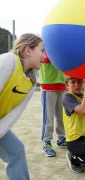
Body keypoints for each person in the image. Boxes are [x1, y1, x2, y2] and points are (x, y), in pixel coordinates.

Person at [0, 33, 45, 180]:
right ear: (27, 50)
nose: (44, 56)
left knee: (16, 150)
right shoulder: (9, 60)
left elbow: (13, 114)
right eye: (42, 51)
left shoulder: (31, 82)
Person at [39, 52, 66, 157]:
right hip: (48, 88)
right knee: (48, 118)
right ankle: (46, 142)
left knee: (62, 116)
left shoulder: (62, 47)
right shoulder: (44, 50)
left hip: (62, 87)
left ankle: (61, 138)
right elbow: (46, 59)